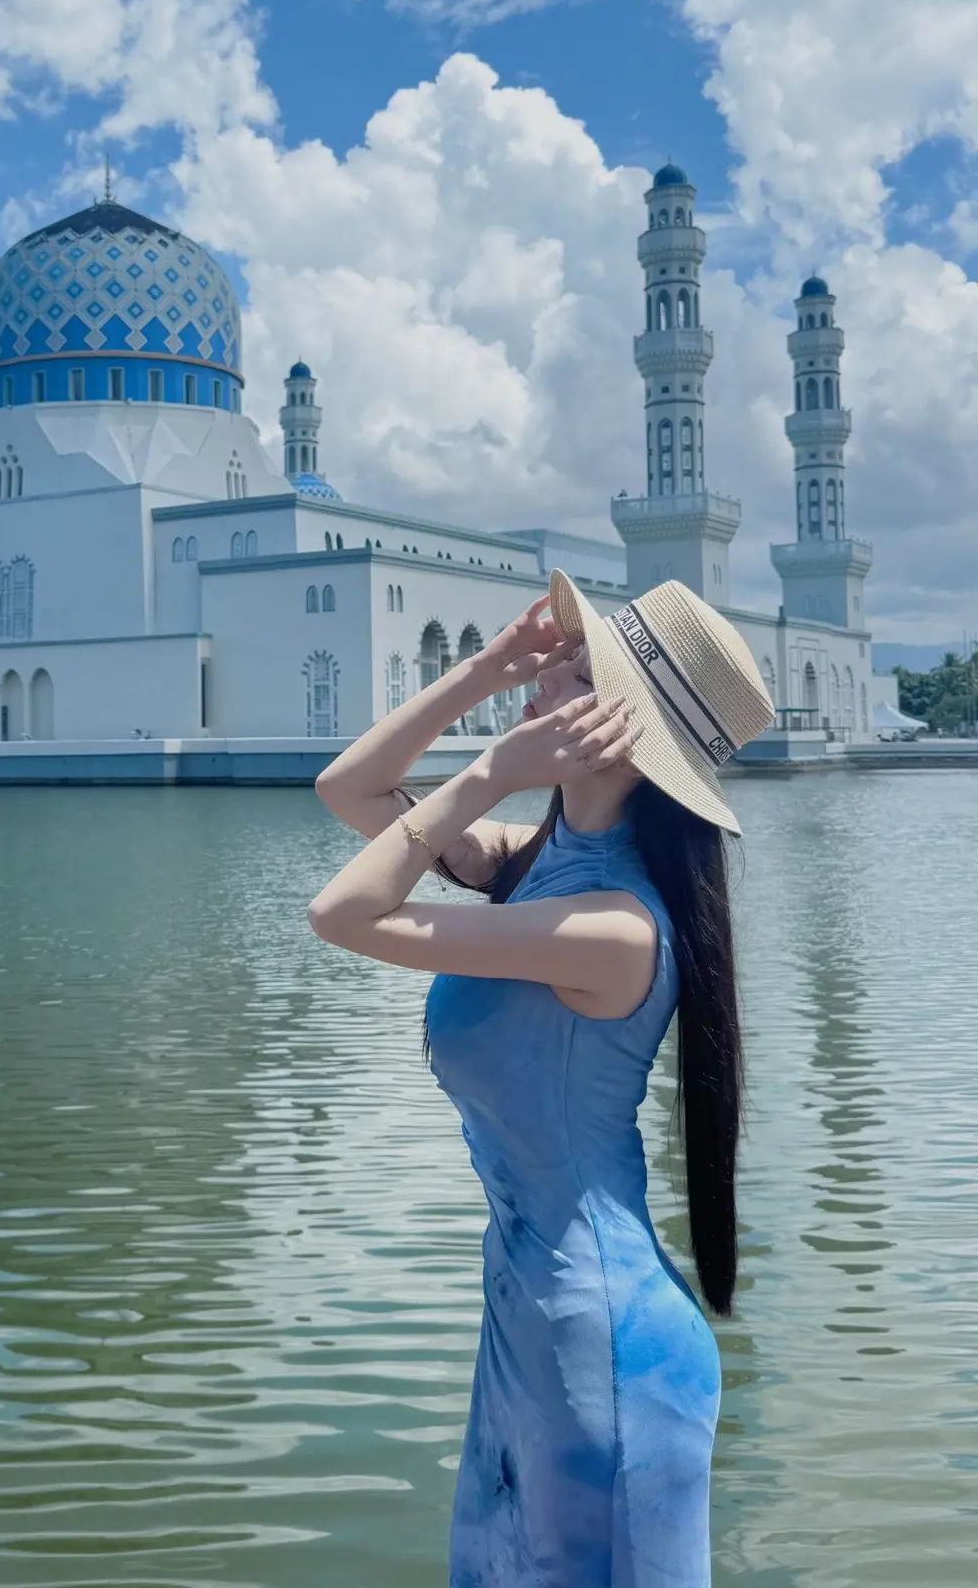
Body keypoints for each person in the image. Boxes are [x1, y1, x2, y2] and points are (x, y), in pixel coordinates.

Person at [307, 570, 775, 1587]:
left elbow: (341, 916)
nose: (550, 669)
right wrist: (483, 673)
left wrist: (489, 769)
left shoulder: (614, 926)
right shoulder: (537, 864)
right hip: (527, 1314)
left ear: (621, 729)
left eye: (576, 667)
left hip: (601, 1339)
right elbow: (346, 792)